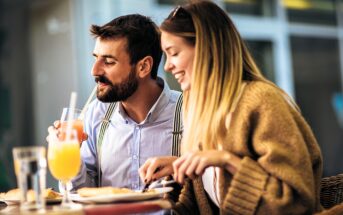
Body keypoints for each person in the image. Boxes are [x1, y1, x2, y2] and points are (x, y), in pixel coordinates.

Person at [139, 1, 323, 214]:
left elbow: (295, 203)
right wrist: (180, 172)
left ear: (207, 48)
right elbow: (203, 199)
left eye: (174, 53)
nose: (168, 66)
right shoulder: (198, 107)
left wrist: (227, 160)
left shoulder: (261, 101)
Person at [48, 14, 182, 191]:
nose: (94, 70)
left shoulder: (189, 111)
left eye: (109, 62)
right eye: (96, 58)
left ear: (143, 67)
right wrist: (71, 157)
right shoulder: (96, 114)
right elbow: (82, 194)